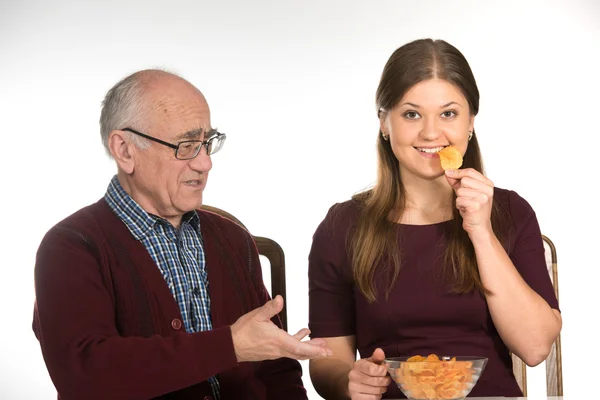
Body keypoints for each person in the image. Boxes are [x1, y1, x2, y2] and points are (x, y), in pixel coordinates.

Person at [32, 69, 331, 400]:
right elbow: (86, 375)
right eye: (187, 146)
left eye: (207, 143)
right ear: (125, 150)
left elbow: (276, 371)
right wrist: (229, 346)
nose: (205, 163)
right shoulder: (71, 247)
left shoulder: (233, 240)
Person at [307, 39, 562, 399]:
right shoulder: (342, 226)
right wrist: (349, 382)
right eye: (411, 114)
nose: (430, 133)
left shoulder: (510, 213)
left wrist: (480, 231)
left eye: (448, 113)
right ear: (384, 123)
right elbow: (327, 361)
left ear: (470, 122)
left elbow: (535, 348)